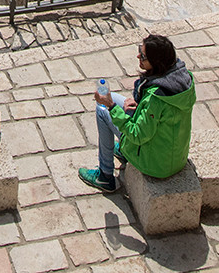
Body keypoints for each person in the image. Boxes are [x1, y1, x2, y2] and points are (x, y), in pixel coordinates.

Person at [78, 33, 194, 192]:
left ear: (156, 63)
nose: (138, 55)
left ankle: (105, 176)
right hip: (174, 156)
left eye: (144, 56)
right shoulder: (183, 79)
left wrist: (111, 105)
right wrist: (140, 105)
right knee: (122, 103)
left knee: (102, 110)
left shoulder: (157, 97)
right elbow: (162, 114)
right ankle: (122, 152)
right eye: (140, 50)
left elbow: (138, 135)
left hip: (156, 165)